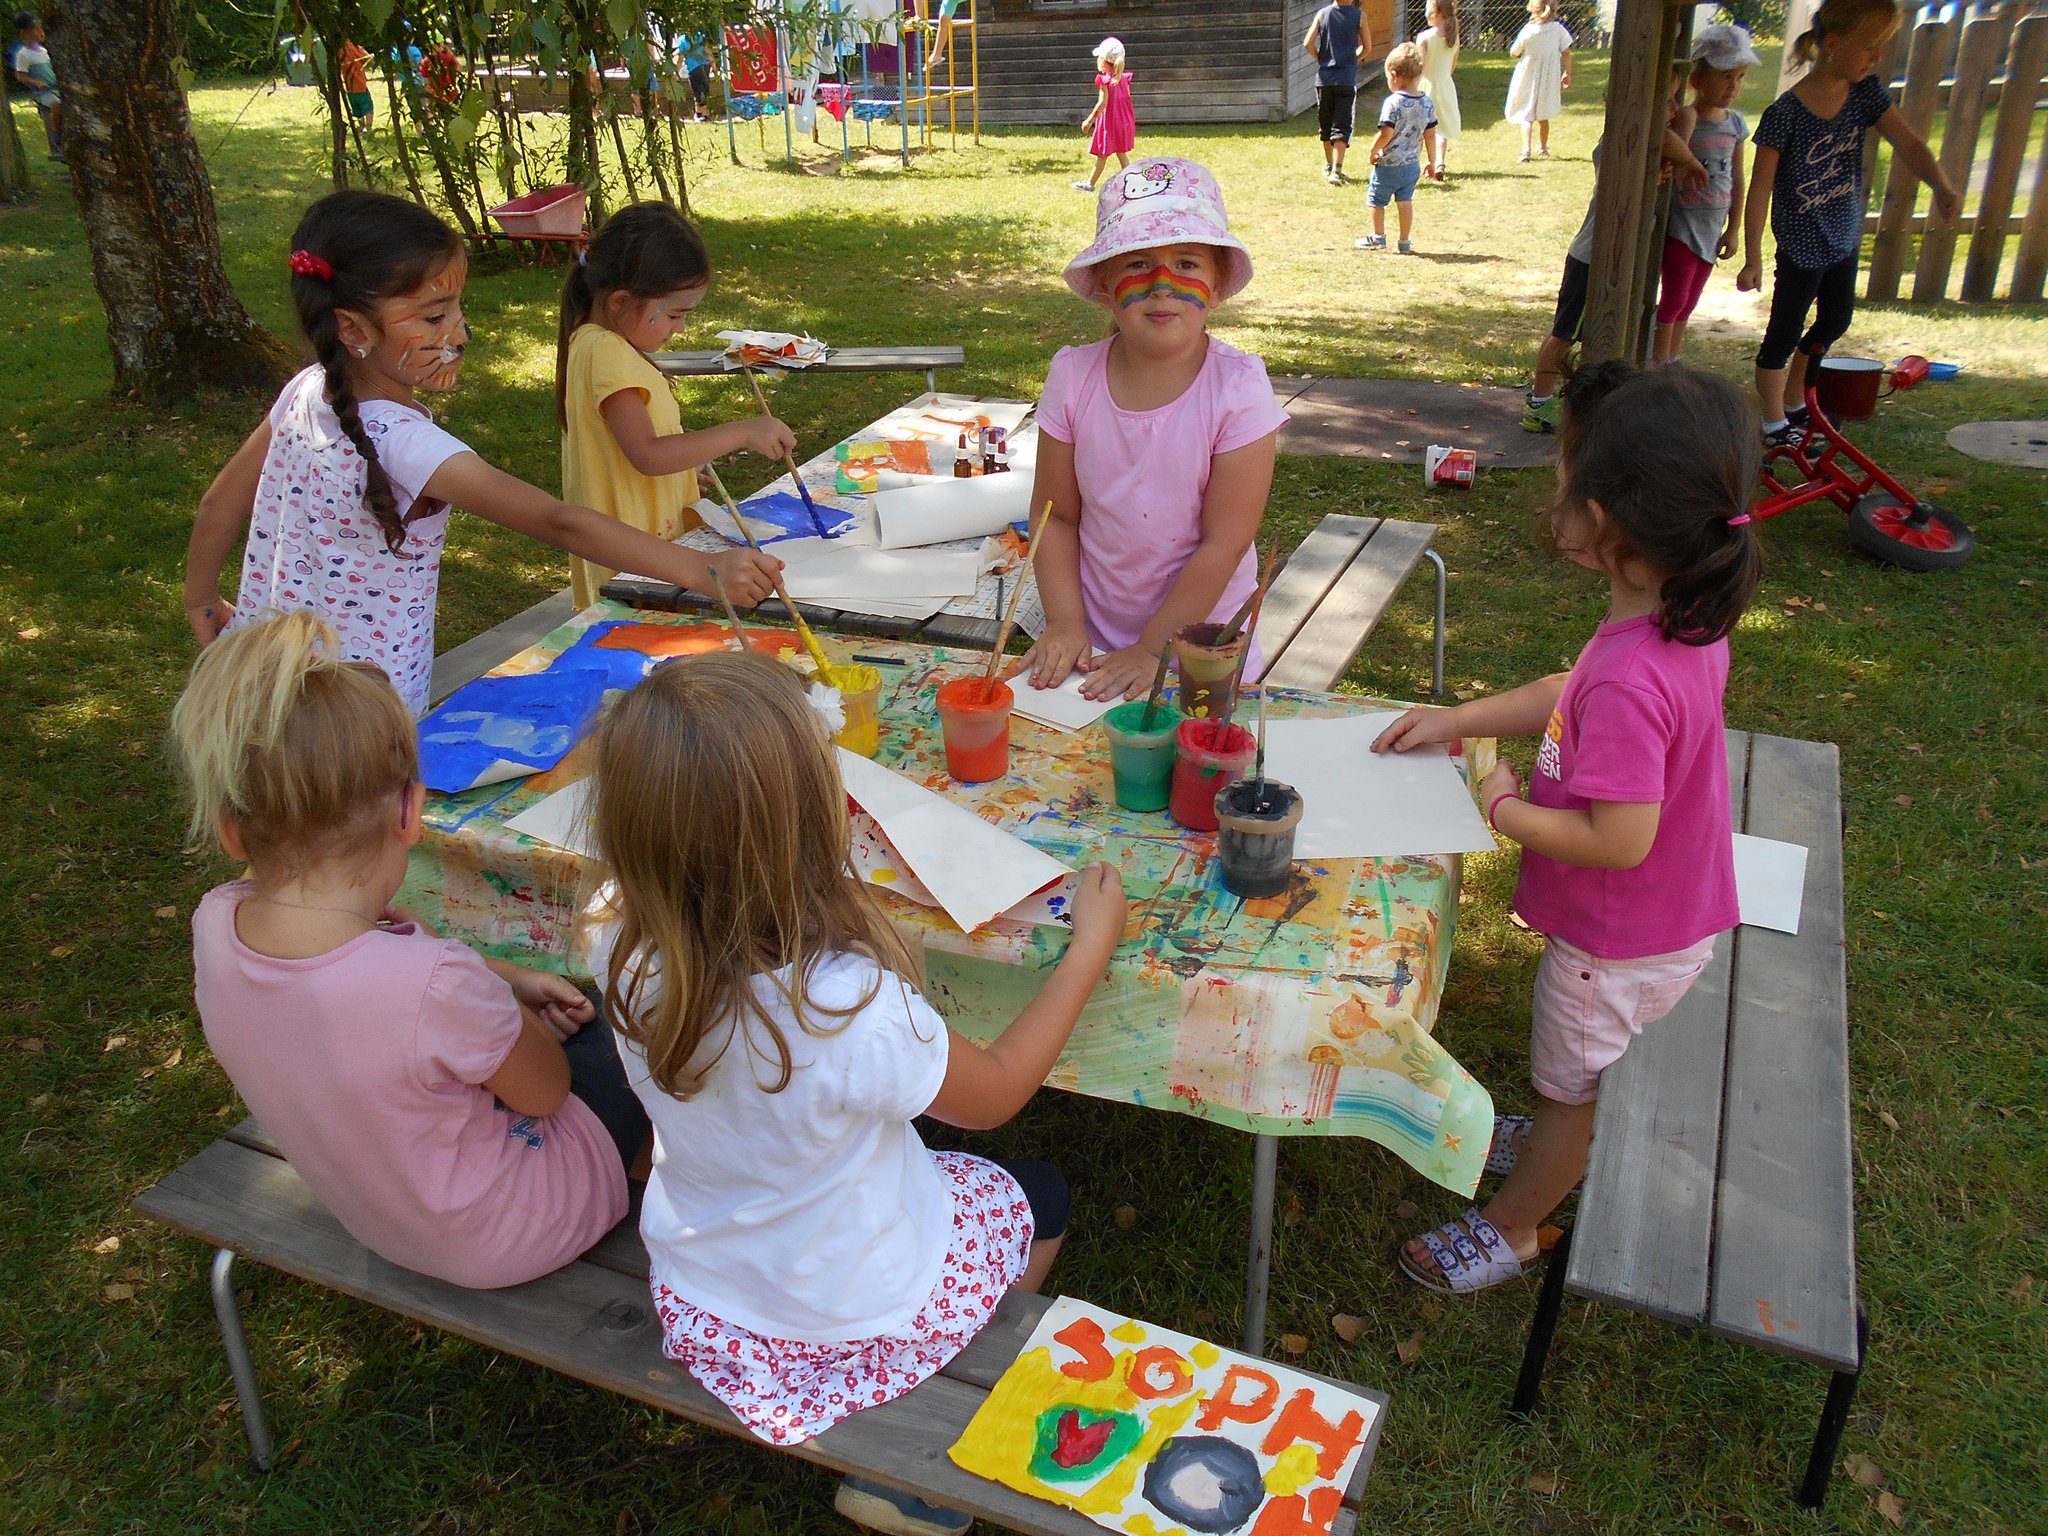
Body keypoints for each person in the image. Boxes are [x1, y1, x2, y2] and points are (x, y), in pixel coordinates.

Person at [584, 650, 1126, 1535]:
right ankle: (932, 1442)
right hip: (856, 1300)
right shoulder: (849, 1005)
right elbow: (991, 1100)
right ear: (820, 819)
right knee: (1039, 1193)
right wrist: (1088, 950)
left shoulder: (624, 950)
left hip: (708, 1286)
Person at [1374, 362, 1762, 1294]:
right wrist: (1460, 720)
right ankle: (1554, 1133)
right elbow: (1566, 697)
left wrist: (1503, 811)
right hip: (1657, 923)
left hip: (1615, 943)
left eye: (1565, 478)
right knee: (1576, 1081)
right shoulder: (1672, 621)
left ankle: (1512, 1229)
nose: (1555, 491)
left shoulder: (1635, 675)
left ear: (1608, 519)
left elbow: (1620, 839)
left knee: (1573, 1091)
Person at [171, 611, 646, 1289]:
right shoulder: (433, 982)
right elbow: (546, 1093)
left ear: (232, 833)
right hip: (515, 1230)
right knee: (625, 1013)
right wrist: (517, 1021)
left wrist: (504, 979)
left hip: (379, 1214)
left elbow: (380, 989)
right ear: (409, 813)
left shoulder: (216, 924)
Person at [183, 189, 780, 718]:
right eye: (435, 316)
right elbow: (557, 520)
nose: (460, 334)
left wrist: (202, 598)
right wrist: (702, 571)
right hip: (361, 712)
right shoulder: (408, 445)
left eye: (457, 311)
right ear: (354, 329)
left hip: (269, 680)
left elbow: (220, 500)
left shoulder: (306, 389)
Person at [1024, 157, 1291, 703]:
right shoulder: (1073, 376)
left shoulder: (1238, 390)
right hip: (1090, 647)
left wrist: (1152, 651)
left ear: (1216, 284)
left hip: (1200, 650)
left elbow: (1224, 543)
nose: (1163, 285)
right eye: (1139, 264)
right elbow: (1055, 517)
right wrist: (1066, 623)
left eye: (1187, 263)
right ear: (1103, 285)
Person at [556, 202, 796, 610]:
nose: (680, 327)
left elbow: (631, 453)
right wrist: (742, 431)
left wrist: (680, 473)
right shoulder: (608, 353)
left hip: (643, 561)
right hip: (635, 571)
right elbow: (648, 454)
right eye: (674, 314)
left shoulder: (599, 344)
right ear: (619, 302)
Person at [1738, 0, 1957, 447]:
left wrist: (1942, 186)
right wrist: (1753, 256)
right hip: (1800, 245)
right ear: (1834, 45)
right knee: (1783, 332)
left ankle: (1797, 401)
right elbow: (1760, 188)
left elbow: (1910, 144)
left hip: (1842, 235)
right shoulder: (1785, 113)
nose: (1877, 58)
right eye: (1871, 48)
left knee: (1835, 319)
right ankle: (1773, 423)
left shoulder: (1865, 95)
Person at [1521, 65, 1705, 433]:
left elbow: (1682, 122)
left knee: (1595, 334)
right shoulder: (1615, 143)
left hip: (1611, 258)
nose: (1673, 109)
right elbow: (1671, 142)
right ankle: (1538, 404)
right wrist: (1690, 161)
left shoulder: (1643, 142)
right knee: (1564, 334)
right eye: (1664, 101)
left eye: (1673, 100)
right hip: (1592, 258)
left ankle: (1582, 401)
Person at [1653, 26, 1758, 365]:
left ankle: (1673, 355)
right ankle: (1659, 362)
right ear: (1697, 78)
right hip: (1684, 224)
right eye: (1726, 76)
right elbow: (1674, 151)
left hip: (1713, 227)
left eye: (1740, 77)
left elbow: (1737, 178)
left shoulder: (1736, 124)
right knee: (1674, 297)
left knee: (1691, 300)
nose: (1734, 86)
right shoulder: (1687, 116)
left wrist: (1734, 228)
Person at [1356, 43, 1437, 254]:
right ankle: (1404, 242)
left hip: (1388, 164)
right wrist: (1432, 161)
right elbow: (1430, 133)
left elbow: (1386, 133)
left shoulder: (1393, 102)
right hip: (1411, 166)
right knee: (1405, 201)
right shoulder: (1427, 102)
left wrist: (1373, 151)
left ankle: (1378, 236)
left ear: (1394, 75)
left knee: (1376, 199)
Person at [1303, 0, 1372, 185]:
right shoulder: (1359, 16)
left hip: (1324, 80)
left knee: (1326, 123)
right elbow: (1368, 47)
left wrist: (1321, 58)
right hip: (1346, 79)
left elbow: (1307, 43)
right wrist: (1353, 59)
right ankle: (1337, 169)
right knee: (1341, 125)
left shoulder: (1322, 14)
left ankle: (1329, 164)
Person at [1505, 0, 1572, 163]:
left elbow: (1514, 52)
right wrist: (1567, 72)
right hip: (1549, 75)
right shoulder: (1557, 29)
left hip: (1528, 73)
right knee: (1543, 113)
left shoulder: (1529, 30)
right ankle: (1543, 147)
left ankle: (1526, 150)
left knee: (1527, 113)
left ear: (1533, 10)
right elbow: (1567, 51)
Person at [1075, 36, 1135, 193]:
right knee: (1121, 154)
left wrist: (1089, 120)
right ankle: (1131, 182)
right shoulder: (1123, 79)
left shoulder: (1104, 80)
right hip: (1123, 122)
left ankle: (1090, 183)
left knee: (1102, 154)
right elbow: (1126, 100)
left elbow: (1103, 103)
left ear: (1104, 61)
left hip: (1109, 123)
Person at [1416, 0, 1461, 183]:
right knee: (1440, 128)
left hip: (1426, 85)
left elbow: (1419, 66)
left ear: (1437, 12)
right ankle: (1440, 163)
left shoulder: (1425, 37)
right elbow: (1453, 64)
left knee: (1420, 128)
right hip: (1445, 85)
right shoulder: (1453, 36)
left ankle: (1415, 163)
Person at [9, 11, 60, 158]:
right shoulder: (23, 55)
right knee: (56, 104)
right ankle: (57, 141)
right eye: (36, 30)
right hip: (43, 92)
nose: (41, 32)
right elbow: (20, 76)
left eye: (41, 29)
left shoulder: (43, 51)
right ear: (26, 34)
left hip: (54, 87)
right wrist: (36, 82)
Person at [338, 38, 374, 122]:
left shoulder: (338, 50)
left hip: (349, 87)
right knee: (368, 108)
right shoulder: (355, 47)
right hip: (360, 84)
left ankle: (361, 129)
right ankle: (368, 129)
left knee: (357, 110)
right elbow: (369, 59)